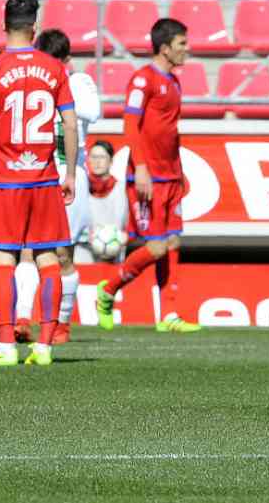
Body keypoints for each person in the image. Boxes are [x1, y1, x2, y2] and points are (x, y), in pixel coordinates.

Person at [0, 0, 77, 368]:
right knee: (48, 256)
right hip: (44, 179)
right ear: (35, 26)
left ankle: (6, 346)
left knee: (3, 257)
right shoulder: (55, 69)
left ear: (3, 25)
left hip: (2, 181)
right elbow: (70, 122)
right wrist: (71, 171)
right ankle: (44, 346)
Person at [94, 19, 201, 334]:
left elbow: (171, 132)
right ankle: (108, 289)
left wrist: (179, 172)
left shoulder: (175, 82)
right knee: (155, 247)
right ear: (165, 48)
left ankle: (168, 315)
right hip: (147, 176)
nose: (187, 49)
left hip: (170, 177)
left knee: (172, 242)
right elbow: (131, 125)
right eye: (182, 44)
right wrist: (140, 167)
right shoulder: (142, 81)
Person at [12, 28, 101, 346]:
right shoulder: (29, 81)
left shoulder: (79, 82)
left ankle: (62, 323)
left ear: (66, 61)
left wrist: (59, 92)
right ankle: (22, 318)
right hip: (34, 172)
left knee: (62, 254)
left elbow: (94, 111)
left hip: (69, 173)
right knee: (26, 248)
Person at [85, 139, 129, 257]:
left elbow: (127, 223)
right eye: (93, 157)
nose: (97, 161)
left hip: (115, 248)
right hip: (85, 249)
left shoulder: (121, 189)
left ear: (111, 161)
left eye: (102, 157)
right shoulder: (81, 188)